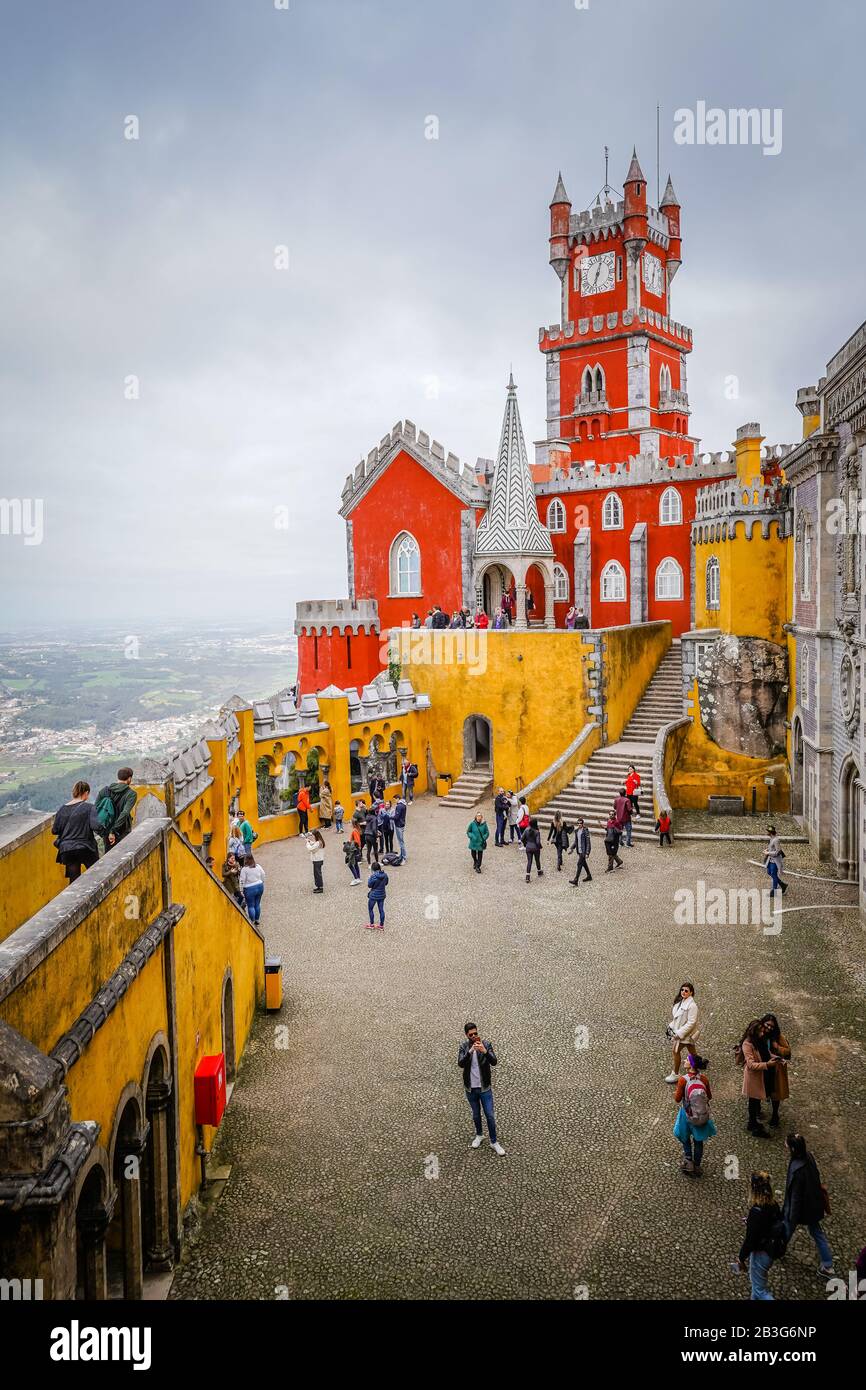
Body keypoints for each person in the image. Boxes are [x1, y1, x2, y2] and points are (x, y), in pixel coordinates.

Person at [782, 1134, 835, 1276]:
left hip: (802, 1208)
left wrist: (791, 1216)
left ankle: (778, 1249)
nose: (785, 1144)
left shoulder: (797, 1169)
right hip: (814, 1203)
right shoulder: (809, 1156)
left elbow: (795, 1197)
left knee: (787, 1228)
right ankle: (828, 1264)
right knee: (817, 1232)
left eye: (787, 1143)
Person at [458, 1022, 505, 1156]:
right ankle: (479, 1135)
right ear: (466, 1035)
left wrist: (484, 1051)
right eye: (471, 1034)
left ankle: (494, 1141)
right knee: (476, 1114)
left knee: (489, 1115)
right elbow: (460, 1063)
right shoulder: (463, 1047)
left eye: (476, 1033)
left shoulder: (486, 1044)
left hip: (484, 1088)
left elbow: (494, 1061)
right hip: (471, 1088)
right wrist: (470, 1051)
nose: (474, 1036)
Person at [737, 1171, 783, 1300]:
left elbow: (750, 1241)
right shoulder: (774, 1205)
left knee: (759, 1291)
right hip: (771, 1250)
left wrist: (741, 1258)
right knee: (756, 1285)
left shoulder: (756, 1211)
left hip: (761, 1253)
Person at [673, 1052, 717, 1176]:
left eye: (686, 1060)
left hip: (686, 1114)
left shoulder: (683, 1080)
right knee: (698, 1141)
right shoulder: (704, 1079)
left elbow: (677, 1099)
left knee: (684, 1136)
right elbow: (709, 1096)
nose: (684, 1061)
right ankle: (697, 1165)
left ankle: (688, 1160)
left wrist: (677, 1093)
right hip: (701, 1114)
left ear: (691, 1064)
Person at [52, 781, 102, 881]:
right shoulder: (89, 808)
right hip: (85, 847)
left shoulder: (62, 809)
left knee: (74, 879)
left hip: (67, 849)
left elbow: (55, 830)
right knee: (97, 875)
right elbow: (96, 826)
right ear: (86, 793)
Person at [738, 1019, 778, 1137]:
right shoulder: (747, 1044)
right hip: (754, 1077)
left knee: (756, 1099)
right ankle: (752, 1123)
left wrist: (775, 1058)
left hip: (762, 1074)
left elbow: (765, 1053)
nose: (762, 1033)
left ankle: (753, 1122)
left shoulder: (759, 1040)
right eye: (760, 1031)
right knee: (753, 1100)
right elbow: (751, 1064)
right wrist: (767, 1065)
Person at [760, 1013, 791, 1127]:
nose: (769, 1028)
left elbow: (788, 1051)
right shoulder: (759, 1034)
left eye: (772, 1026)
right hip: (763, 1066)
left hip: (775, 1070)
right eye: (767, 1025)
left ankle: (775, 1115)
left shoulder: (778, 1037)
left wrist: (777, 1047)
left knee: (775, 1093)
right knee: (761, 1089)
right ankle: (758, 1110)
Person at [665, 983, 700, 1082]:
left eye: (686, 991)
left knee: (675, 1051)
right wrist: (671, 1027)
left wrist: (679, 1033)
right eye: (682, 990)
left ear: (691, 992)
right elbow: (677, 1019)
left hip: (684, 1035)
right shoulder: (680, 1002)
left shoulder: (692, 1006)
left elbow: (691, 1022)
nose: (683, 992)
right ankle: (697, 1066)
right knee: (692, 1051)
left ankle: (675, 1073)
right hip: (683, 1034)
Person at [94, 768, 137, 849]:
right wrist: (113, 831)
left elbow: (95, 809)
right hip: (122, 830)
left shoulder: (104, 790)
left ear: (118, 777)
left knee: (109, 856)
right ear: (129, 778)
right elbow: (125, 813)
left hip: (106, 829)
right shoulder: (131, 794)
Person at [763, 825, 788, 896]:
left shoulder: (776, 840)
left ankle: (774, 892)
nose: (766, 832)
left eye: (768, 831)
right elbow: (771, 848)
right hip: (770, 859)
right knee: (769, 872)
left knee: (773, 874)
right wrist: (767, 850)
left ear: (770, 832)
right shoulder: (771, 838)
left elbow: (777, 851)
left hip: (775, 861)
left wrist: (768, 853)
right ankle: (782, 885)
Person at [240, 854, 265, 923]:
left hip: (249, 888)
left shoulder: (244, 869)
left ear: (245, 860)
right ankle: (257, 919)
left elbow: (242, 880)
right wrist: (262, 881)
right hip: (259, 886)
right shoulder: (258, 866)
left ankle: (252, 921)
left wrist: (241, 890)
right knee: (257, 904)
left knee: (251, 906)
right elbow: (263, 874)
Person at [568, 817, 592, 884]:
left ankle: (576, 880)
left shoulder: (585, 831)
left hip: (583, 851)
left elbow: (588, 842)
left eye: (580, 823)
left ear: (582, 823)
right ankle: (589, 876)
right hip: (579, 851)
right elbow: (576, 841)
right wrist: (572, 848)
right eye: (578, 823)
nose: (579, 824)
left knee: (579, 864)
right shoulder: (576, 831)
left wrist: (587, 852)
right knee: (583, 863)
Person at [366, 860, 388, 929]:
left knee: (370, 909)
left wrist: (369, 878)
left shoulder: (373, 876)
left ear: (372, 869)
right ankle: (381, 925)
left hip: (373, 895)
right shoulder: (385, 875)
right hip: (382, 894)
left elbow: (369, 885)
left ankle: (371, 924)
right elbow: (386, 883)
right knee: (381, 910)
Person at [523, 817, 543, 882]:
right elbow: (538, 842)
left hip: (528, 847)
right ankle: (539, 871)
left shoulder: (526, 830)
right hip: (535, 848)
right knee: (537, 860)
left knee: (529, 861)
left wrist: (525, 844)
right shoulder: (537, 832)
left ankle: (527, 876)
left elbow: (522, 838)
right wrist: (540, 847)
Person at [392, 793, 408, 861]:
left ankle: (403, 855)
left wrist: (390, 817)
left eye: (394, 800)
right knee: (401, 840)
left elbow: (396, 817)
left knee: (400, 841)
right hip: (402, 823)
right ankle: (402, 854)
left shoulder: (399, 806)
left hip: (398, 824)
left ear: (397, 798)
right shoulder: (404, 804)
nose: (394, 801)